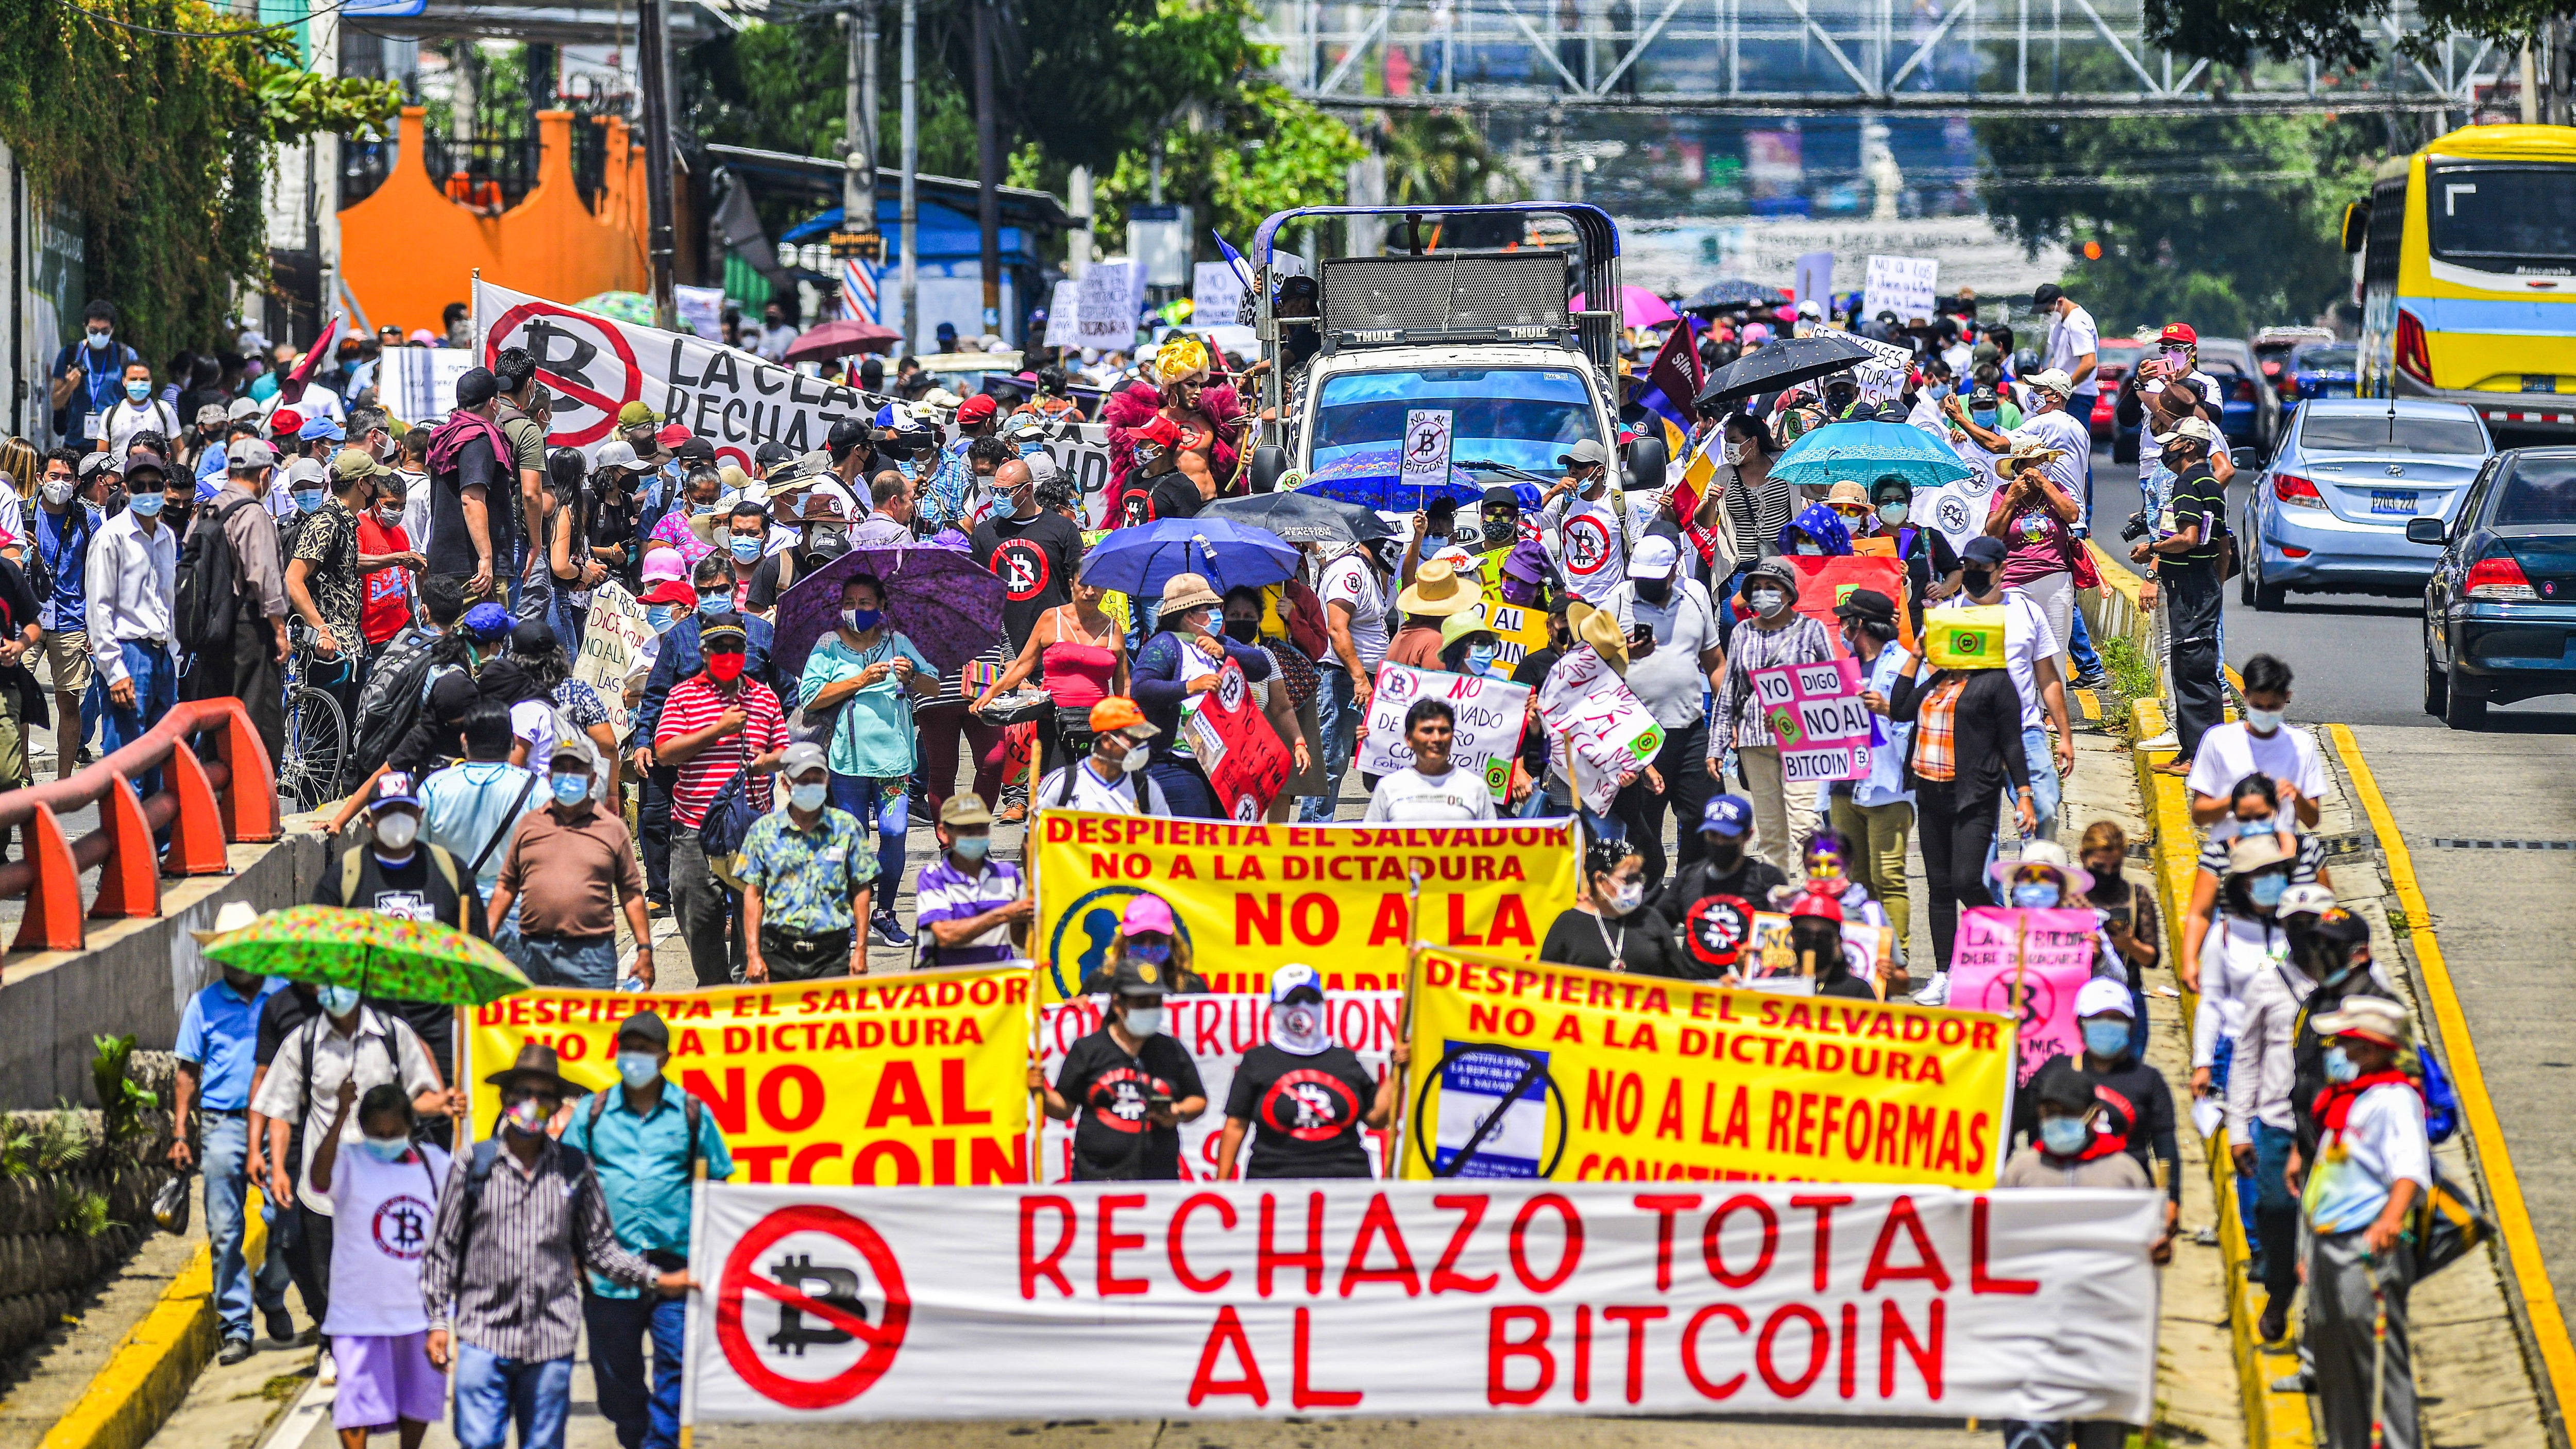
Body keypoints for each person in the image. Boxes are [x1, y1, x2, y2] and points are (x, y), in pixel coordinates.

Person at [419, 1044, 691, 1449]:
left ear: (556, 1105)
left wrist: (658, 1279)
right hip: (482, 1337)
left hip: (550, 1342)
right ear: (504, 1099)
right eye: (523, 1093)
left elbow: (599, 1249)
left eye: (543, 1096)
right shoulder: (472, 1166)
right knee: (478, 1443)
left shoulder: (576, 1168)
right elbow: (443, 1249)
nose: (531, 1104)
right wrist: (438, 1321)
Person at [249, 972, 451, 1378]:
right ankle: (333, 1345)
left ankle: (393, 1341)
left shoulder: (392, 1034)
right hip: (326, 1183)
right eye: (324, 982)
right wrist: (277, 1167)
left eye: (339, 980)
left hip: (385, 1179)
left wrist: (445, 1103)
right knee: (325, 1272)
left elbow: (424, 1094)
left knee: (386, 1262)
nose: (332, 990)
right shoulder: (303, 1042)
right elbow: (281, 1109)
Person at [557, 1014, 735, 1449]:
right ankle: (637, 1435)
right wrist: (576, 1258)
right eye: (628, 1047)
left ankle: (658, 1444)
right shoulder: (592, 1112)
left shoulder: (692, 1113)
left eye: (645, 1048)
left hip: (676, 1266)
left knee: (677, 1370)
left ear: (665, 1057)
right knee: (616, 1382)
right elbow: (567, 1187)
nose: (635, 1056)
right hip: (609, 1270)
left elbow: (718, 1183)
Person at [2299, 997, 2429, 1449]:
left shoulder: (2394, 1100)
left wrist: (2390, 1222)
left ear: (2371, 1049)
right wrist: (2306, 1251)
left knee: (2376, 1360)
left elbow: (2410, 1169)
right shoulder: (2345, 1102)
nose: (2337, 1052)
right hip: (2325, 1245)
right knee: (2333, 1356)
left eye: (2346, 1043)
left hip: (2365, 1247)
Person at [2227, 884, 2351, 1344]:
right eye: (2294, 925)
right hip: (2279, 1126)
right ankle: (2280, 1292)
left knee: (2332, 1228)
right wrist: (2239, 1128)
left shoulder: (2353, 983)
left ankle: (2323, 1326)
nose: (2304, 935)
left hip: (2335, 1129)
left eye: (2312, 924)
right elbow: (2246, 1058)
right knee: (2275, 1211)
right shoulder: (2267, 983)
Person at [1888, 612, 2038, 984]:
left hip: (1973, 796)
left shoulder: (1996, 683)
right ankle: (1944, 973)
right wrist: (1916, 656)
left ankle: (2008, 941)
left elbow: (2012, 743)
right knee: (1938, 887)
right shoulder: (1936, 680)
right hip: (1930, 794)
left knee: (1967, 880)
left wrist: (2023, 794)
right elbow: (1900, 708)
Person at [313, 771, 489, 1072]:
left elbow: (479, 948)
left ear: (420, 815)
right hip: (368, 1026)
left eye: (405, 810)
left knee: (440, 1112)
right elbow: (319, 954)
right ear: (369, 821)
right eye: (387, 811)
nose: (398, 818)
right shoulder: (343, 877)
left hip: (440, 1024)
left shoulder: (451, 872)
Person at [309, 1082, 448, 1449]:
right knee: (355, 1404)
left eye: (394, 1132)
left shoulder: (435, 1164)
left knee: (419, 1397)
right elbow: (318, 1180)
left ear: (410, 1126)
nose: (385, 1139)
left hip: (417, 1311)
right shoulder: (348, 1161)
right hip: (358, 1313)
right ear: (363, 1128)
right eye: (377, 1133)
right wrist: (340, 1115)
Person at [798, 572, 934, 947]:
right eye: (849, 603)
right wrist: (859, 680)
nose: (855, 611)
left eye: (865, 603)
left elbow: (933, 684)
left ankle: (885, 913)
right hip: (847, 762)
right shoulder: (827, 646)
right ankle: (851, 916)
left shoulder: (898, 643)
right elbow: (810, 697)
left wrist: (912, 675)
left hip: (894, 762)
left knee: (894, 833)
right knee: (853, 839)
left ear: (882, 607)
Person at [656, 615, 787, 984]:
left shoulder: (764, 696)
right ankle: (714, 987)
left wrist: (767, 761)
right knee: (698, 916)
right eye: (720, 648)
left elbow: (784, 752)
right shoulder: (683, 695)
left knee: (754, 924)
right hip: (695, 828)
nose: (728, 655)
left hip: (751, 829)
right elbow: (665, 751)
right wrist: (718, 730)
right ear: (704, 652)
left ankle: (744, 993)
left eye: (736, 648)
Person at [171, 937, 284, 1364]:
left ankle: (272, 1290)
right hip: (223, 1123)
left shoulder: (283, 993)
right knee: (224, 1230)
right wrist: (180, 1133)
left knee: (289, 1217)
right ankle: (237, 1326)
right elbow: (187, 1072)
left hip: (278, 1122)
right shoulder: (203, 1004)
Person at [2014, 975, 2183, 1245]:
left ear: (2131, 1026)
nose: (2107, 1026)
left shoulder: (2148, 1080)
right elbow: (2014, 1122)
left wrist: (2171, 1200)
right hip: (2052, 1198)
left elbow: (2166, 1149)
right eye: (2097, 1018)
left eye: (2116, 1019)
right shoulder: (2055, 1071)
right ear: (2080, 1023)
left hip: (2126, 1201)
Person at [485, 735, 651, 990]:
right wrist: (484, 941)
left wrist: (644, 949)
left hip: (592, 956)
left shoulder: (611, 829)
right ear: (550, 778)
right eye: (561, 769)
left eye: (577, 769)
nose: (568, 775)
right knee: (535, 1029)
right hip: (534, 953)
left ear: (593, 778)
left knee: (592, 1029)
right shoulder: (530, 825)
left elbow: (631, 894)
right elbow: (507, 886)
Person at [1215, 964, 1405, 1180]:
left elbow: (1377, 1119)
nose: (1303, 1007)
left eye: (1311, 999)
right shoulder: (1257, 1061)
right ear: (1275, 1008)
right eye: (1292, 1000)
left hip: (1347, 1184)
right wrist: (1221, 1187)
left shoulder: (1344, 1060)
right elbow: (1236, 1125)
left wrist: (1396, 1071)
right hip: (1275, 1183)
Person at [1608, 533, 1724, 886]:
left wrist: (1728, 717)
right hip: (1636, 738)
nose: (1645, 585)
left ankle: (1690, 891)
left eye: (1654, 579)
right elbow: (1587, 670)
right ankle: (1649, 900)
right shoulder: (1614, 604)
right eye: (1640, 578)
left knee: (1706, 818)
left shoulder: (1694, 602)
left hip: (1691, 731)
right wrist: (1625, 654)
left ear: (1674, 571)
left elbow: (1715, 663)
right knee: (1642, 831)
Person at [1942, 535, 2073, 845]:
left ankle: (2031, 886)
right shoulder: (1946, 617)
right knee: (1978, 838)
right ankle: (1989, 893)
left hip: (2025, 730)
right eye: (1968, 566)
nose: (1973, 573)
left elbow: (2048, 678)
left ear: (2002, 569)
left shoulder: (2028, 612)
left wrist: (2065, 736)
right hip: (1969, 737)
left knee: (2043, 810)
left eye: (1982, 567)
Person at [1031, 959, 1209, 1181]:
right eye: (1142, 1003)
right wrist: (1041, 1093)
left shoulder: (1171, 1049)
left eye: (1156, 1002)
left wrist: (1177, 1112)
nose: (1150, 1009)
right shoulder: (1089, 1050)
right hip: (1096, 1182)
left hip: (1158, 1182)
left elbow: (1198, 1099)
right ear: (1118, 1004)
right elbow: (1065, 1107)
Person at [1710, 558, 1832, 874]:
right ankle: (1776, 903)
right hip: (1755, 742)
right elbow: (1730, 691)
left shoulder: (1812, 631)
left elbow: (1832, 688)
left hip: (1802, 741)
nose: (1763, 594)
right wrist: (1717, 746)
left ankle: (1817, 903)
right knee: (1771, 833)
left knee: (1807, 824)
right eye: (1758, 589)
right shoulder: (1741, 633)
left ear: (1789, 594)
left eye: (1771, 588)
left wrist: (1796, 711)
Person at [1129, 571, 1275, 818]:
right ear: (1189, 615)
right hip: (1176, 763)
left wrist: (1224, 651)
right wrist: (1190, 687)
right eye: (1210, 608)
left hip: (1224, 766)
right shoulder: (1164, 645)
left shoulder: (1221, 642)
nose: (1217, 613)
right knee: (1194, 834)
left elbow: (1262, 666)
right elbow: (1142, 688)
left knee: (1226, 838)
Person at [184, 438, 292, 769]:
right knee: (256, 720)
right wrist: (279, 630)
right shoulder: (252, 514)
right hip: (248, 629)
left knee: (218, 717)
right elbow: (263, 576)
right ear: (263, 476)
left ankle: (218, 797)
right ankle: (253, 810)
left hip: (211, 628)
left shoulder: (207, 509)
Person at [2132, 415, 2229, 775]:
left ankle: (2198, 756)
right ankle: (2192, 750)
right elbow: (2223, 547)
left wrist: (2151, 550)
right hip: (2203, 585)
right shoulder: (2211, 483)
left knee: (2191, 671)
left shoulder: (2187, 483)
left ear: (2188, 446)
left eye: (2173, 443)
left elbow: (2187, 538)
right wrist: (2214, 587)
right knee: (2196, 668)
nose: (2166, 449)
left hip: (2187, 588)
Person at [737, 743, 874, 982]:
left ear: (827, 781)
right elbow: (753, 894)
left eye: (816, 779)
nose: (811, 785)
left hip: (831, 954)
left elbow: (861, 889)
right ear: (786, 784)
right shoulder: (763, 832)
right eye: (803, 780)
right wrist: (753, 955)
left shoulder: (847, 828)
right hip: (778, 952)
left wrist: (861, 950)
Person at [83, 456, 179, 789]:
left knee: (162, 765)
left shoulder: (166, 536)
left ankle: (157, 842)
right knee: (127, 765)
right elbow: (98, 608)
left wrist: (173, 656)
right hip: (128, 655)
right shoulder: (112, 536)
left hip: (162, 656)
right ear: (125, 489)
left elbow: (167, 600)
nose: (148, 492)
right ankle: (124, 840)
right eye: (139, 486)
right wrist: (114, 669)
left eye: (155, 485)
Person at [975, 572, 1127, 780]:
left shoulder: (1114, 629)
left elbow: (1124, 684)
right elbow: (1022, 665)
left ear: (1106, 589)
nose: (1090, 592)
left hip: (1098, 724)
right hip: (1054, 720)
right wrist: (991, 693)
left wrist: (1128, 722)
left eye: (1097, 585)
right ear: (1071, 584)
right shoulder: (1051, 619)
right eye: (1083, 584)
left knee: (1095, 790)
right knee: (1055, 786)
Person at [419, 700, 545, 933]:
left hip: (451, 917)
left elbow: (418, 856)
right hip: (516, 918)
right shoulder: (536, 790)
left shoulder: (433, 788)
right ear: (512, 742)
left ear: (464, 740)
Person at [1651, 795, 1791, 980]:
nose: (1719, 843)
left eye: (1727, 837)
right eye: (1713, 835)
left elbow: (1783, 946)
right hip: (1694, 990)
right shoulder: (1689, 877)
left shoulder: (1766, 879)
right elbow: (1656, 926)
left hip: (1747, 990)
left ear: (1748, 835)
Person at [1304, 539, 1393, 820]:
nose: (1398, 552)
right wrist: (1359, 678)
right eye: (1396, 544)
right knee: (1332, 758)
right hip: (1343, 677)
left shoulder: (1373, 570)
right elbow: (1337, 628)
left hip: (1369, 677)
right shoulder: (1349, 572)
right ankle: (1314, 832)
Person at [2187, 652, 2322, 829]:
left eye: (2273, 706)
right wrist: (2238, 800)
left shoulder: (2302, 745)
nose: (2265, 713)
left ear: (2287, 697)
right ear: (2245, 696)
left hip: (2280, 849)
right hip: (2231, 850)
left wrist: (2296, 795)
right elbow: (2199, 816)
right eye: (2258, 706)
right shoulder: (2218, 740)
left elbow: (2312, 820)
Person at [30, 448, 100, 778]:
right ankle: (23, 778)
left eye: (67, 479)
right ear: (40, 478)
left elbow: (100, 573)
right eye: (53, 477)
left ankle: (63, 781)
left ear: (76, 483)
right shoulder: (22, 514)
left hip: (72, 620)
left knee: (69, 702)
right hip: (27, 620)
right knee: (17, 699)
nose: (59, 484)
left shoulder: (88, 520)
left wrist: (95, 625)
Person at [421, 368, 515, 605]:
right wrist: (486, 558)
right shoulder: (478, 440)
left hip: (449, 563)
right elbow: (471, 499)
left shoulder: (451, 435)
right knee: (482, 640)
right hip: (473, 570)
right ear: (493, 403)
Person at [914, 795, 1032, 968]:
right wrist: (1004, 914)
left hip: (1000, 984)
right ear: (943, 833)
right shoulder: (933, 877)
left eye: (982, 828)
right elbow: (946, 935)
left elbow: (1021, 939)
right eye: (967, 830)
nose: (976, 835)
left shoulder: (1007, 874)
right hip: (950, 987)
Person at [1541, 836, 1686, 975]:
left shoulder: (1651, 920)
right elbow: (1545, 983)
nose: (1635, 886)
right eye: (1627, 879)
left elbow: (1678, 977)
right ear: (1600, 880)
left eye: (1638, 878)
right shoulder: (1568, 924)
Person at [1364, 698, 1496, 822]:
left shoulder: (1476, 787)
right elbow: (1367, 841)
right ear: (1409, 739)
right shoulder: (1388, 787)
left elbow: (1493, 842)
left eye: (1444, 731)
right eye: (1427, 731)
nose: (1437, 739)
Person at [1032, 697, 1171, 814]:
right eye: (1134, 739)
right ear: (1106, 740)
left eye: (1143, 740)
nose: (1141, 746)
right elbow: (1034, 839)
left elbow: (1166, 841)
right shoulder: (1062, 784)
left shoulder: (1148, 789)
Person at [1539, 438, 1626, 605]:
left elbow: (1636, 550)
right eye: (1569, 466)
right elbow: (1525, 519)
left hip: (1611, 602)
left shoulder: (1620, 504)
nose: (1572, 471)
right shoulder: (1563, 502)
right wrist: (1552, 493)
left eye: (1579, 466)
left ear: (1599, 470)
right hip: (1572, 600)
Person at [52, 300, 138, 446]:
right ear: (85, 327)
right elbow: (56, 403)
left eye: (105, 331)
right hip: (76, 443)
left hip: (115, 444)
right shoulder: (70, 354)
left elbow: (137, 401)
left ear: (113, 330)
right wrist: (69, 387)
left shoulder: (126, 356)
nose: (99, 335)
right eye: (93, 331)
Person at [357, 469, 420, 653]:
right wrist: (397, 558)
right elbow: (356, 562)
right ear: (375, 501)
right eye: (391, 505)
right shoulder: (359, 527)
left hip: (400, 630)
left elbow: (404, 582)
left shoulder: (400, 533)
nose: (397, 512)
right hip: (370, 636)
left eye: (402, 506)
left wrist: (412, 621)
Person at [2032, 282, 2101, 430]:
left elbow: (2089, 363)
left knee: (2073, 442)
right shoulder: (2057, 322)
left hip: (2077, 395)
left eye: (2048, 311)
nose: (2046, 316)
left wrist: (2066, 388)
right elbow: (2056, 358)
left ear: (2060, 302)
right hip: (2061, 395)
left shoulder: (2077, 322)